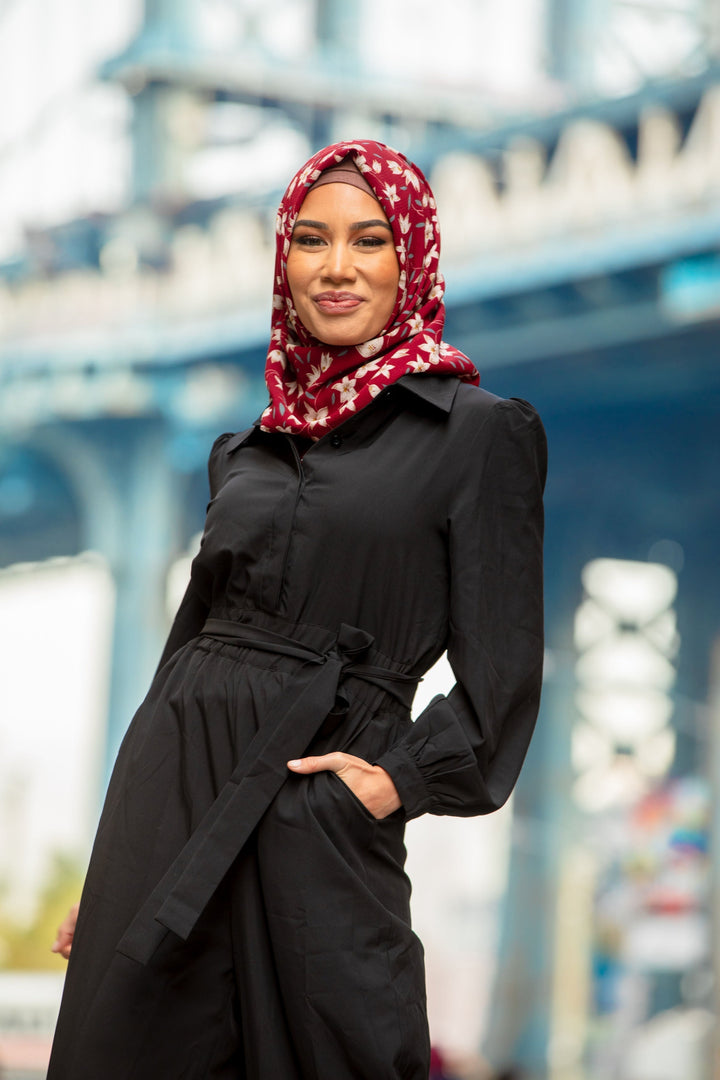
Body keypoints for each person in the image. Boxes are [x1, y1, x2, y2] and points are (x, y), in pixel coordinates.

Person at [47, 140, 546, 1080]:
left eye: (369, 240)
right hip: (172, 801)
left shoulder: (481, 433)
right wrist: (119, 862)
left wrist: (393, 781)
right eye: (310, 241)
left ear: (413, 259)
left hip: (318, 804)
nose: (337, 266)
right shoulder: (246, 450)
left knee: (343, 1049)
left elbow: (505, 670)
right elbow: (188, 649)